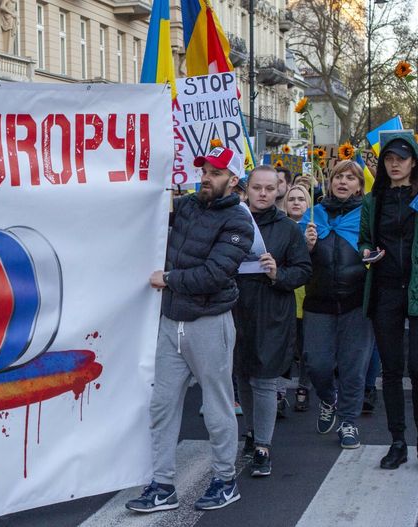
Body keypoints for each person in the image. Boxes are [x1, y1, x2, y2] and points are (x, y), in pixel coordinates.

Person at [127, 146, 253, 513]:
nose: (206, 178)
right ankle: (162, 485)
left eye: (216, 173)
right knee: (162, 405)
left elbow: (214, 274)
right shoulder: (186, 206)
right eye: (204, 171)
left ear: (233, 179)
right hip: (172, 322)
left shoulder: (239, 221)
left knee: (217, 405)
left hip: (210, 323)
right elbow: (145, 214)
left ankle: (225, 480)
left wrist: (168, 279)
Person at [359, 133, 418, 473]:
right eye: (389, 159)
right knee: (390, 370)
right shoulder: (374, 200)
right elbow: (364, 241)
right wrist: (367, 253)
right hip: (386, 289)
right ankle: (398, 441)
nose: (394, 164)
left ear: (414, 162)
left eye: (401, 158)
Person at [234, 166, 311, 477]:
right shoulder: (233, 221)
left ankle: (263, 446)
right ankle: (252, 432)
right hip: (237, 308)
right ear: (247, 189)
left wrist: (278, 273)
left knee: (264, 378)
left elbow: (303, 270)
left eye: (269, 188)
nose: (263, 193)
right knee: (243, 374)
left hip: (272, 311)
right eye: (257, 188)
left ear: (279, 190)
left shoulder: (288, 228)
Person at [301, 160, 373, 448]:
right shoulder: (313, 215)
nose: (343, 182)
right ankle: (328, 398)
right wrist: (305, 246)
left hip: (356, 304)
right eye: (338, 177)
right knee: (316, 365)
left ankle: (348, 422)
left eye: (350, 178)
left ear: (359, 186)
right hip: (318, 303)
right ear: (330, 183)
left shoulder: (367, 216)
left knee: (353, 367)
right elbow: (296, 259)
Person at [283, 185, 314, 412]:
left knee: (306, 348)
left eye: (301, 199)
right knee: (284, 347)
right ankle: (279, 392)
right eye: (291, 198)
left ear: (308, 204)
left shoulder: (315, 227)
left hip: (308, 295)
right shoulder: (279, 227)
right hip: (284, 295)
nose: (296, 202)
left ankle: (304, 388)